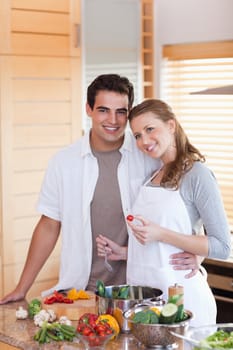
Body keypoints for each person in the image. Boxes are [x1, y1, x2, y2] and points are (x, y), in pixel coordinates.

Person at [0, 76, 199, 304]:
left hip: (142, 290)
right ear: (89, 109)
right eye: (103, 110)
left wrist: (199, 255)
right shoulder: (64, 161)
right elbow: (49, 225)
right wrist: (22, 288)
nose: (113, 120)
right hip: (82, 291)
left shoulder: (149, 157)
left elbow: (188, 211)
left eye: (121, 111)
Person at [96, 98, 231, 326]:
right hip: (146, 305)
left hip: (183, 307)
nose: (144, 141)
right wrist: (126, 252)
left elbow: (222, 246)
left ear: (171, 126)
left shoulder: (197, 175)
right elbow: (160, 248)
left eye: (150, 129)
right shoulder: (153, 176)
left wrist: (162, 234)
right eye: (137, 135)